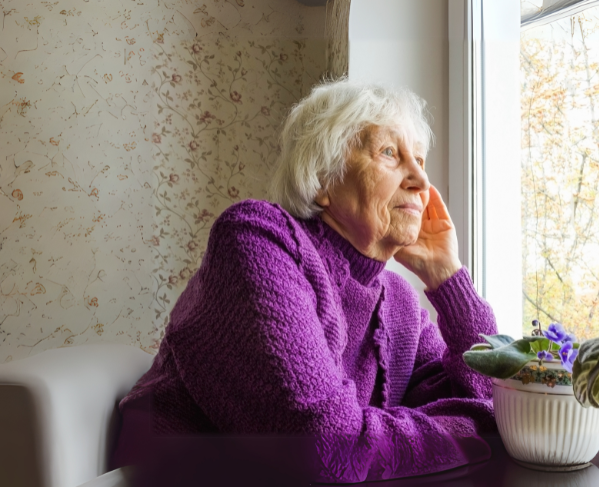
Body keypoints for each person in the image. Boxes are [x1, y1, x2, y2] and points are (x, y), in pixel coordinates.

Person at [111, 80, 499, 483]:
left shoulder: (397, 299)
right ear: (322, 178)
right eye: (390, 153)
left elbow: (491, 400)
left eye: (419, 159)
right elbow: (325, 445)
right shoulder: (257, 239)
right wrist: (474, 427)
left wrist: (448, 279)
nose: (421, 180)